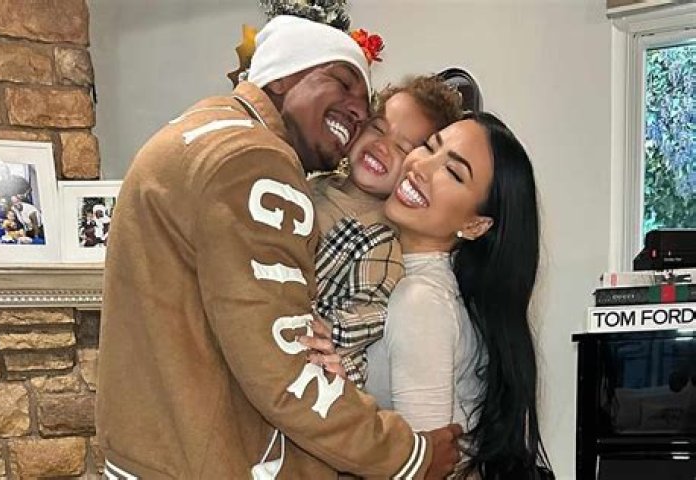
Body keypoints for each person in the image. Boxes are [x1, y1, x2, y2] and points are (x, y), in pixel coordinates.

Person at [97, 15, 461, 479]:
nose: (356, 110)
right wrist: (410, 457)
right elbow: (284, 371)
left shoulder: (204, 126)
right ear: (282, 77)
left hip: (150, 453)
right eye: (342, 82)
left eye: (363, 102)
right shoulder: (255, 159)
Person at [364, 113, 553, 479]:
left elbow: (425, 468)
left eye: (452, 172)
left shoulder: (421, 301)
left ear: (475, 224)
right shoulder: (443, 292)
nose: (420, 166)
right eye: (429, 146)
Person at [311, 76, 462, 388]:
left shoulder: (381, 240)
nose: (382, 146)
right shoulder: (311, 184)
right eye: (378, 128)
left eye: (403, 148)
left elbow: (371, 314)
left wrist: (323, 330)